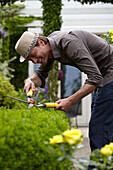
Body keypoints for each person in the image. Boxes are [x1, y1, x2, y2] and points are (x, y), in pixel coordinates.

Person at [15, 30, 113, 152]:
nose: (35, 61)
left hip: (109, 75)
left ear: (41, 42)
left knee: (99, 131)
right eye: (31, 60)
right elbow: (40, 75)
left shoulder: (68, 43)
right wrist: (30, 81)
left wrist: (70, 101)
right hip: (104, 78)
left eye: (33, 55)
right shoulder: (50, 47)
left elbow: (95, 79)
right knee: (104, 128)